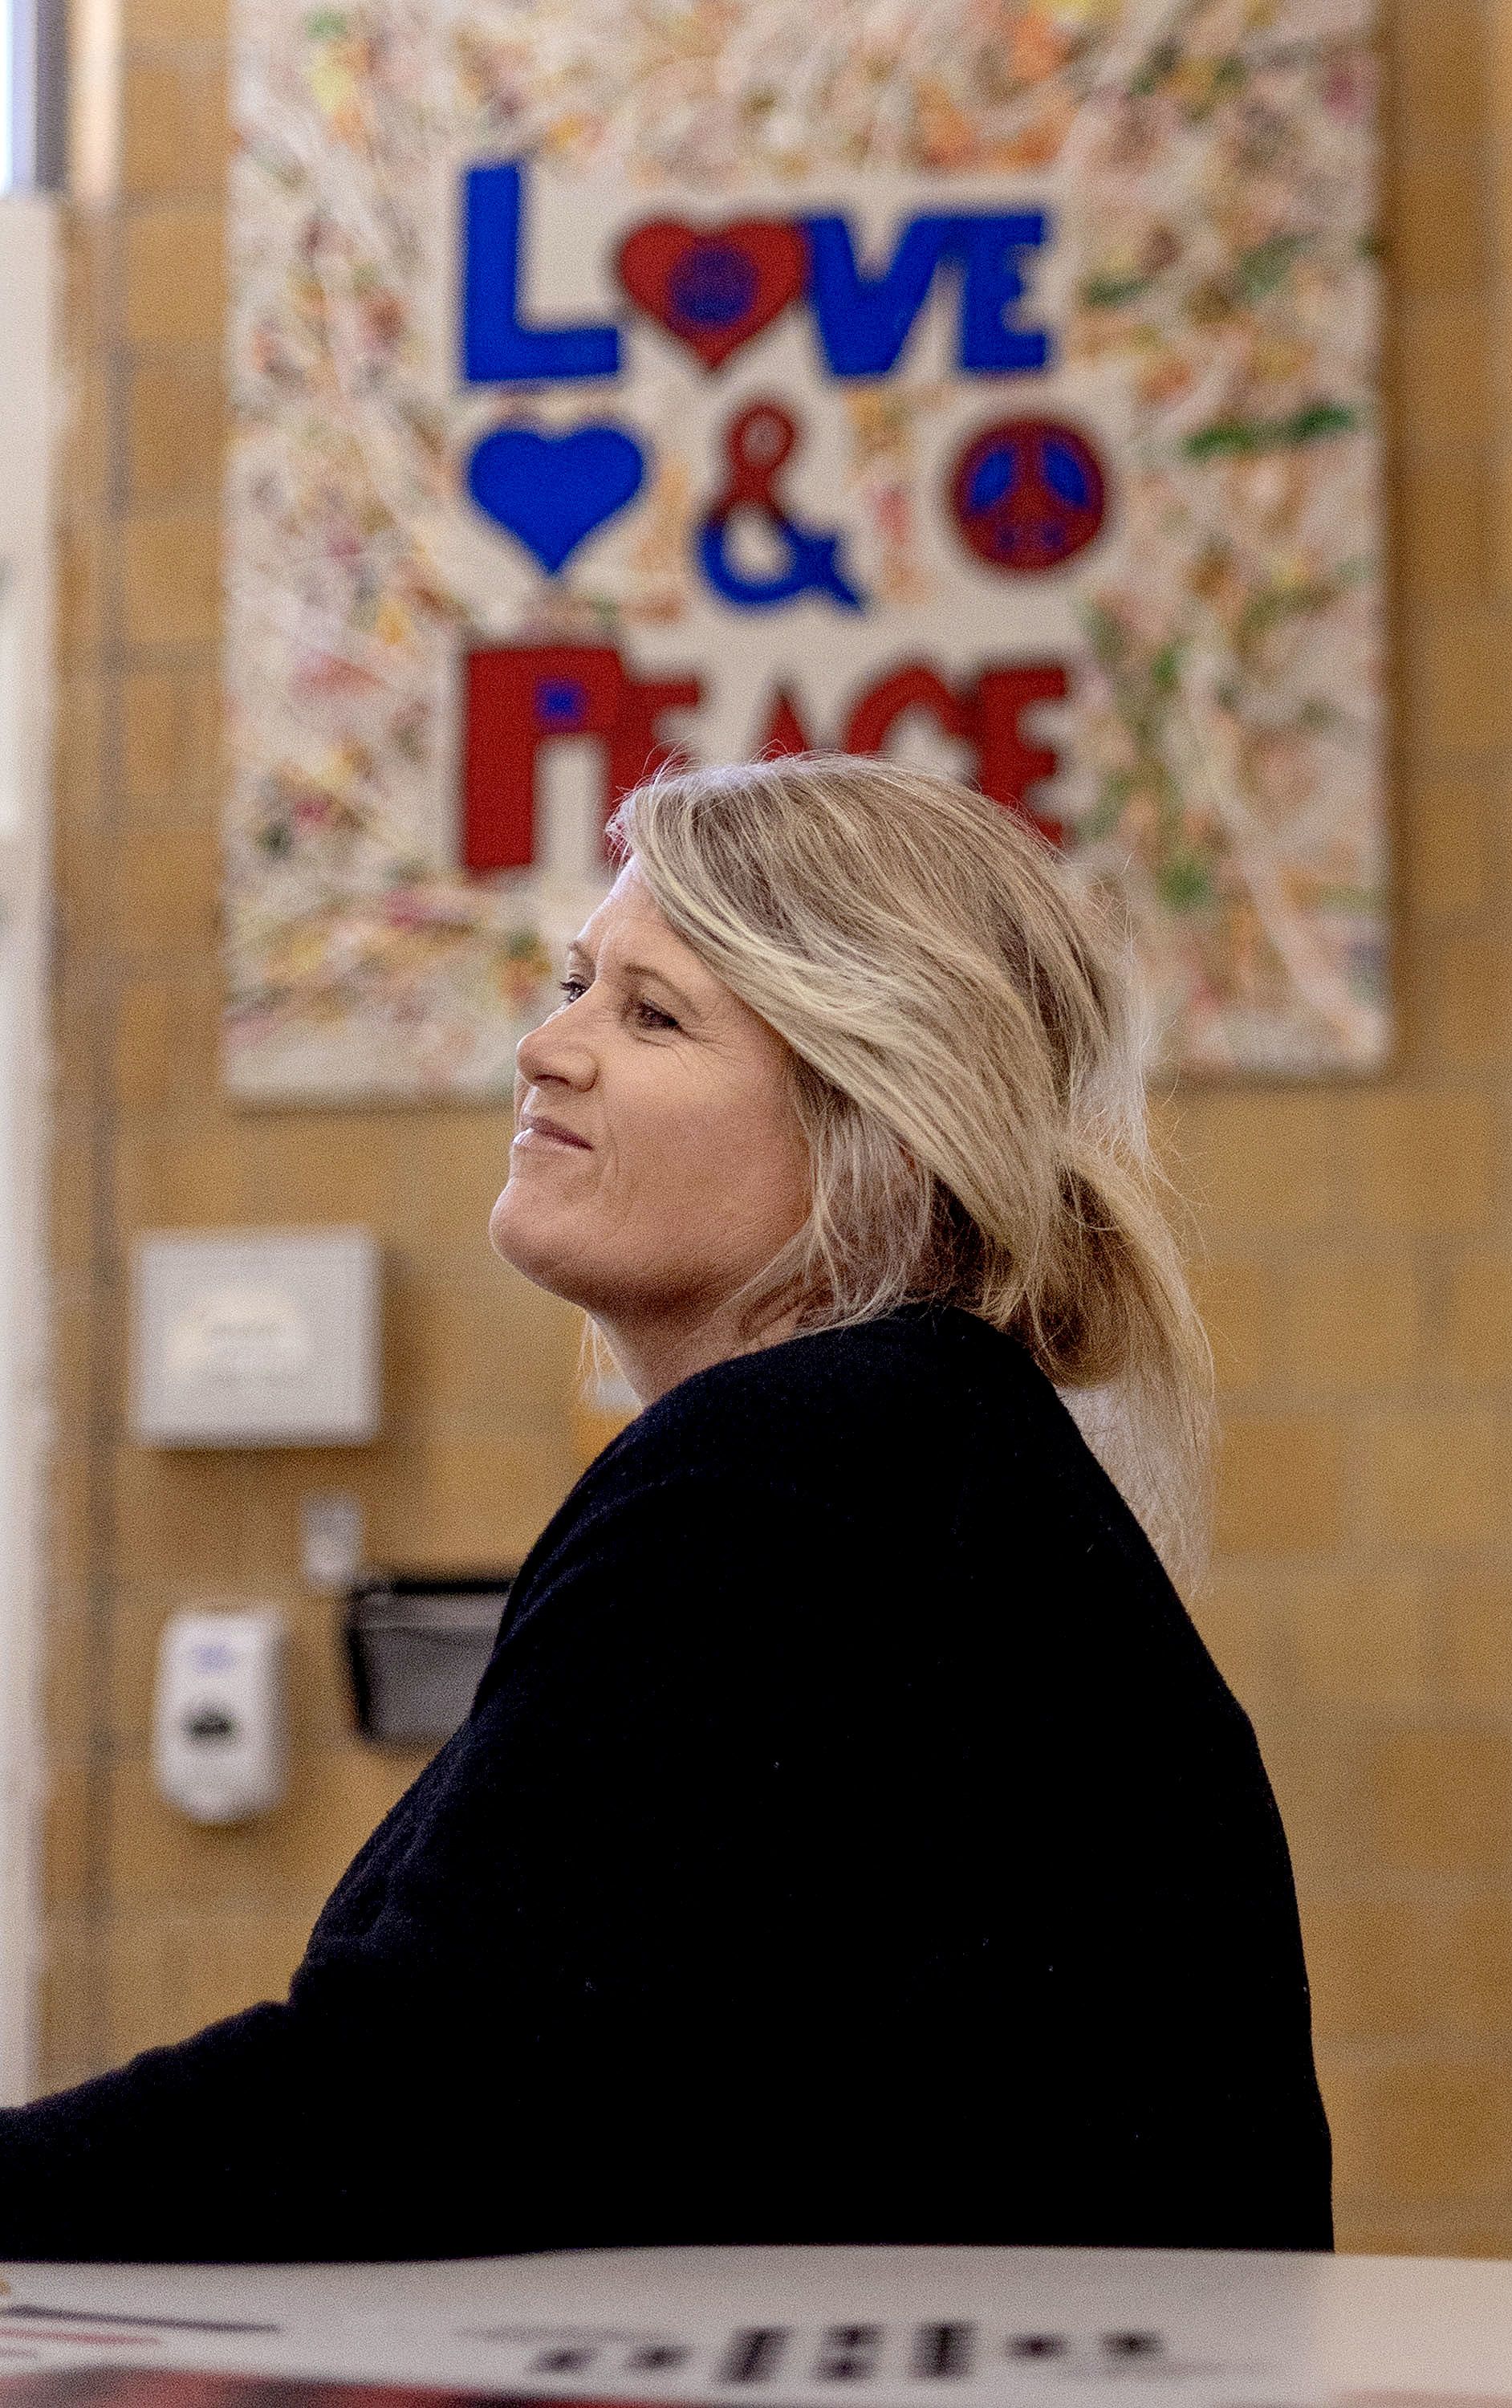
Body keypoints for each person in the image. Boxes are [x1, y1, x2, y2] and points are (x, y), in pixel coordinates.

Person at [0, 757, 1331, 2260]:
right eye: (575, 984)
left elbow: (417, 2105)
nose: (545, 1048)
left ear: (879, 1115)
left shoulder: (799, 1462)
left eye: (652, 1015)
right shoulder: (913, 1446)